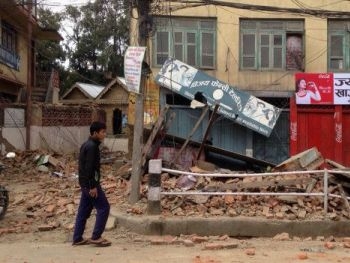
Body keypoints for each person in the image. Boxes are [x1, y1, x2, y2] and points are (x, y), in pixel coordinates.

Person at [72, 121, 111, 247]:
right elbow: (89, 168)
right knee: (104, 207)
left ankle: (77, 238)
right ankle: (96, 236)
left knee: (83, 211)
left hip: (84, 184)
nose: (104, 134)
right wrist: (92, 186)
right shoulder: (92, 147)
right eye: (102, 132)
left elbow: (83, 167)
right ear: (95, 133)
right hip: (90, 185)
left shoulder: (86, 145)